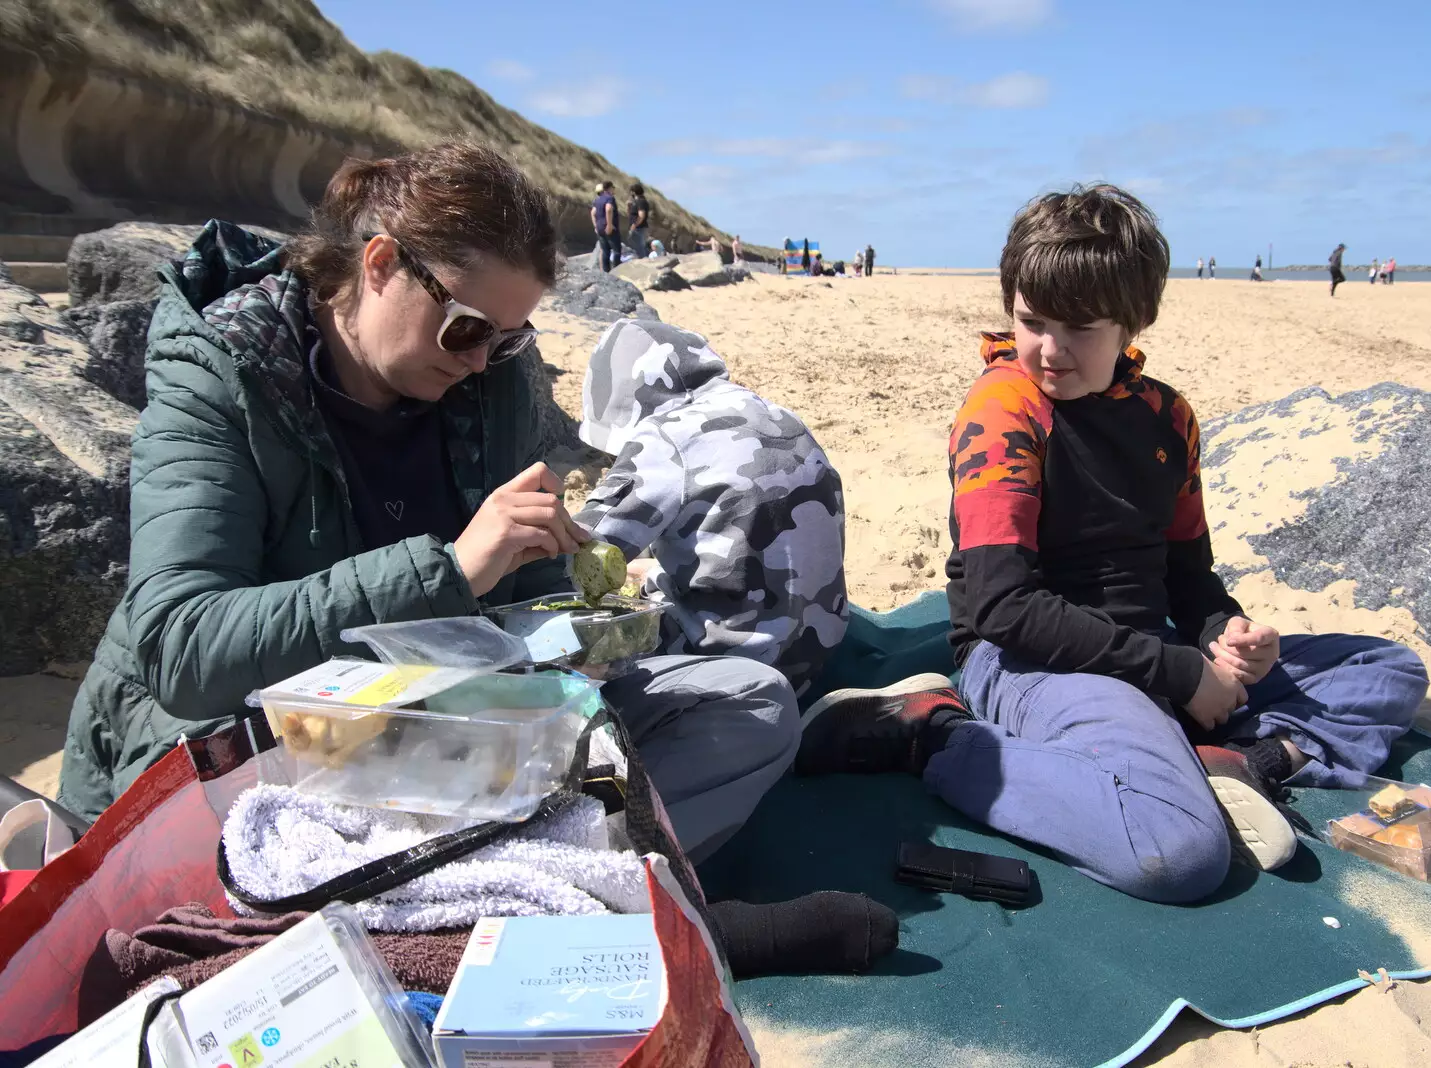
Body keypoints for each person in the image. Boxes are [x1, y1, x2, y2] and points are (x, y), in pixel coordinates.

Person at [57, 143, 801, 869]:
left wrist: (573, 634)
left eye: (509, 340)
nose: (480, 359)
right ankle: (535, 879)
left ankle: (490, 884)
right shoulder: (223, 376)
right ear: (380, 264)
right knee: (265, 846)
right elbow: (181, 648)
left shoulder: (489, 377)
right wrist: (448, 573)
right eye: (469, 328)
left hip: (446, 723)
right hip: (271, 742)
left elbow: (517, 588)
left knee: (751, 703)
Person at [795, 185, 1428, 904]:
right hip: (1031, 662)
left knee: (1386, 670)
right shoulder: (1004, 410)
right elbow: (1003, 608)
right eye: (1031, 322)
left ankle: (1244, 760)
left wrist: (1226, 636)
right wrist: (1178, 673)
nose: (1049, 350)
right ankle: (928, 734)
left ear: (1136, 322)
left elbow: (1189, 574)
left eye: (1080, 329)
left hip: (1146, 649)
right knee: (1179, 851)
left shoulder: (1167, 417)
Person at [575, 319, 848, 697]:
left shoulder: (665, 437)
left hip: (731, 666)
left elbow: (579, 551)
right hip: (818, 652)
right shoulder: (781, 416)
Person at [592, 180, 620, 273]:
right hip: (609, 228)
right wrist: (609, 225)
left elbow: (593, 213)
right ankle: (617, 271)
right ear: (610, 188)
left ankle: (606, 272)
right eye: (613, 188)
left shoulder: (597, 199)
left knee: (605, 251)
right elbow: (608, 209)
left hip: (600, 228)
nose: (614, 190)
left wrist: (595, 226)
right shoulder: (609, 198)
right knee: (616, 251)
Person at [626, 181, 651, 260]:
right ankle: (642, 259)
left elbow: (641, 215)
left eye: (631, 192)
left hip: (639, 227)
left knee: (639, 246)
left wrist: (635, 224)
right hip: (637, 227)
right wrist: (629, 207)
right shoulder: (636, 202)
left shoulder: (641, 201)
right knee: (636, 245)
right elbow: (630, 214)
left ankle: (643, 261)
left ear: (633, 192)